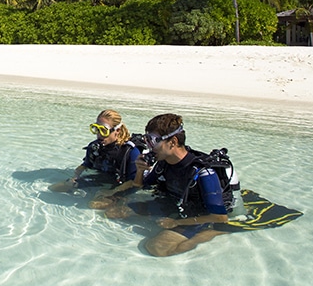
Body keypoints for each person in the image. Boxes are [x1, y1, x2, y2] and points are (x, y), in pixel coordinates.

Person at [125, 113, 230, 257]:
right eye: (147, 140)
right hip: (172, 207)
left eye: (153, 141)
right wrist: (139, 171)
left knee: (157, 248)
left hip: (198, 217)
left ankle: (209, 233)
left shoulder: (203, 173)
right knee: (116, 211)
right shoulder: (163, 163)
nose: (150, 147)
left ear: (173, 142)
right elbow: (139, 186)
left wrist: (176, 222)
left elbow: (220, 217)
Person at [50, 109, 141, 193]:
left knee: (95, 203)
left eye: (103, 130)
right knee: (54, 188)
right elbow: (86, 165)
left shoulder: (130, 152)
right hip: (99, 180)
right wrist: (75, 177)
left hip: (119, 186)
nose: (99, 134)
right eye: (96, 129)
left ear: (117, 130)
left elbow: (133, 182)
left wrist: (112, 193)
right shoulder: (94, 147)